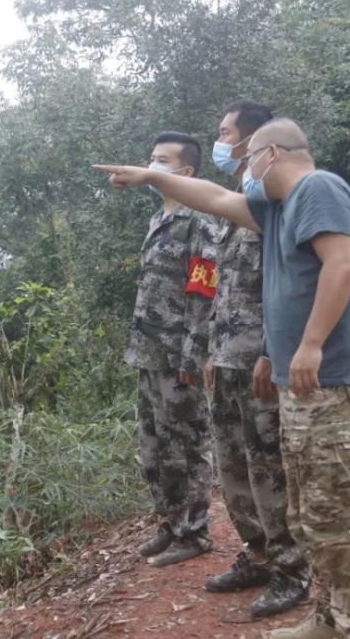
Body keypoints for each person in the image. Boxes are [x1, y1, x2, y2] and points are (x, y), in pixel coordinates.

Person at [94, 118, 350, 639]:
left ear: (272, 153)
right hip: (304, 385)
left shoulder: (317, 188)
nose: (243, 167)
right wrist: (151, 176)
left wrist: (312, 343)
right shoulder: (274, 212)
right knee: (311, 513)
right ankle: (330, 617)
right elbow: (210, 195)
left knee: (339, 514)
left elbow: (340, 265)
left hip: (337, 380)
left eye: (249, 156)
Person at [203, 101, 310, 618]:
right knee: (233, 465)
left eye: (225, 133)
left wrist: (271, 352)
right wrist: (209, 350)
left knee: (269, 466)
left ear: (251, 140)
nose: (219, 142)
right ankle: (259, 554)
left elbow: (284, 284)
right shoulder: (239, 200)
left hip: (260, 361)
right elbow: (223, 289)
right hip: (226, 357)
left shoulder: (274, 201)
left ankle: (293, 568)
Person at [128, 131, 218, 567]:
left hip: (180, 354)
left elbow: (203, 290)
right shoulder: (157, 220)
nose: (150, 166)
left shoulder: (199, 218)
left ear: (185, 172)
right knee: (154, 448)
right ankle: (171, 522)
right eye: (150, 157)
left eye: (161, 160)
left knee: (187, 445)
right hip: (149, 353)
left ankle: (195, 532)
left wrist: (194, 354)